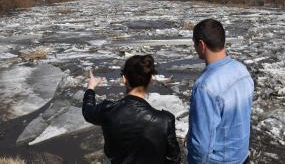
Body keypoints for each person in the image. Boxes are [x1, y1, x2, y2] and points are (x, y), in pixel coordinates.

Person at [82, 54, 181, 164]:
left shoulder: (108, 111)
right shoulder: (165, 120)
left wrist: (90, 88)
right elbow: (174, 159)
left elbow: (88, 111)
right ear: (150, 80)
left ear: (124, 79)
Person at [187, 19, 254, 164]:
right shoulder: (241, 70)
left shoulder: (205, 86)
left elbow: (201, 145)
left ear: (201, 45)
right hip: (241, 157)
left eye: (194, 44)